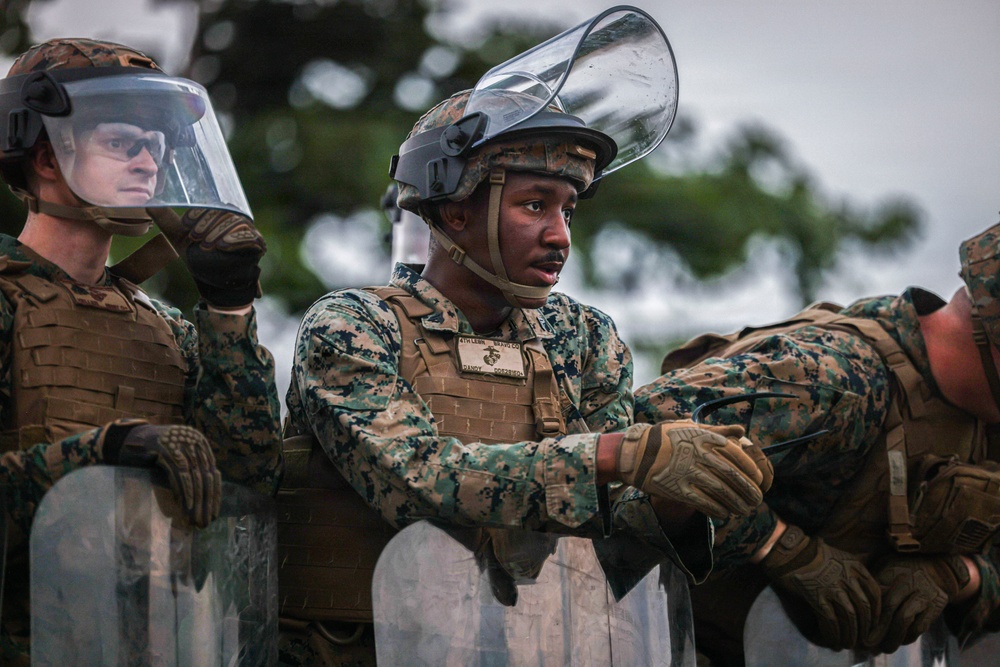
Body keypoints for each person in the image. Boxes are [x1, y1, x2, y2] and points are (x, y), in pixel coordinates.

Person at [277, 8, 773, 664]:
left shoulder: (583, 337)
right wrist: (619, 454)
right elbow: (416, 480)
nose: (560, 234)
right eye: (534, 204)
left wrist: (677, 495)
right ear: (455, 209)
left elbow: (614, 543)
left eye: (568, 208)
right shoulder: (350, 327)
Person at [0, 38, 282, 663]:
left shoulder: (171, 328)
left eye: (155, 150)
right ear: (47, 157)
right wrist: (103, 453)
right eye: (123, 144)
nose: (147, 165)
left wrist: (230, 310)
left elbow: (246, 493)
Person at [634, 221, 1000, 665]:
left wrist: (960, 575)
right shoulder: (836, 377)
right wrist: (778, 545)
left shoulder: (982, 416)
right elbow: (641, 434)